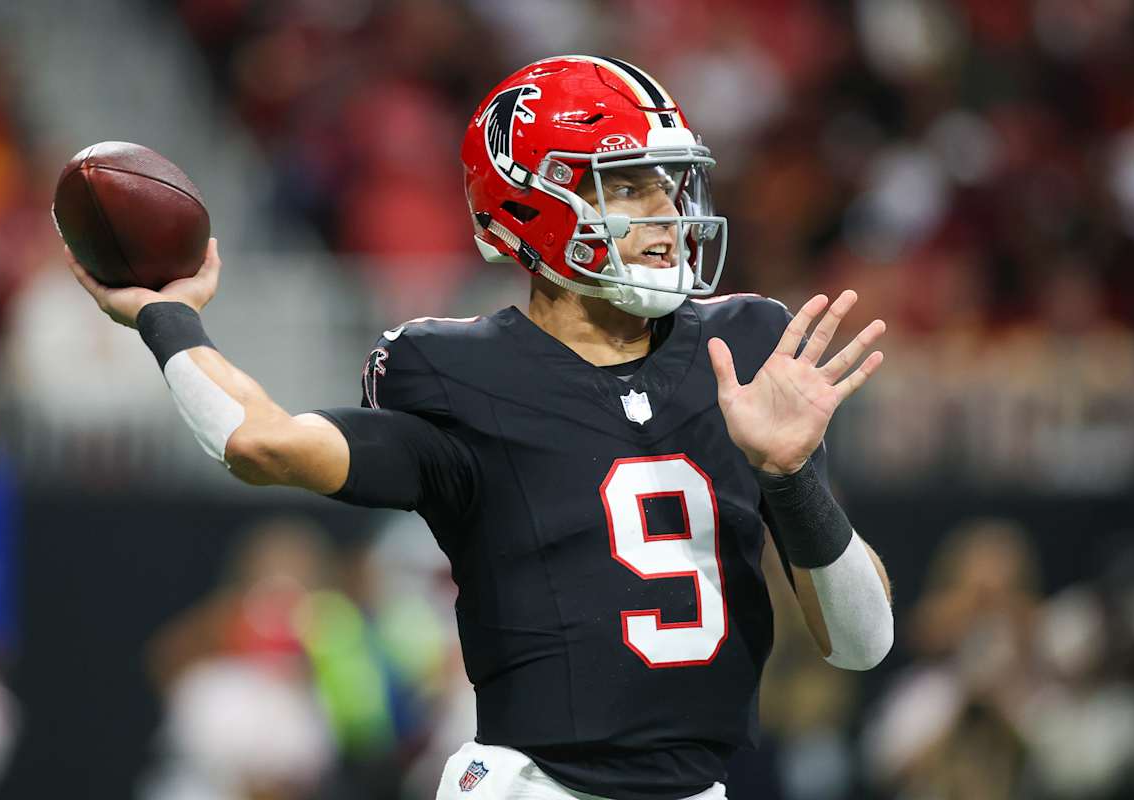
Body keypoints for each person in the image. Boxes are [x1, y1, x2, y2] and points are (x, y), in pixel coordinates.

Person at [64, 56, 893, 800]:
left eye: (669, 182)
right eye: (629, 183)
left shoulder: (739, 350)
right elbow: (259, 443)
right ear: (535, 206)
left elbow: (863, 643)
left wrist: (793, 476)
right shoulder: (461, 375)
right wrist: (168, 320)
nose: (665, 212)